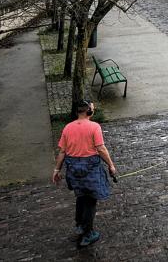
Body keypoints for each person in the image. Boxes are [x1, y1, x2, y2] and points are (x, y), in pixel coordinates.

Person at [52, 100, 117, 247]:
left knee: (81, 196)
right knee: (90, 200)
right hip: (90, 168)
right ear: (89, 112)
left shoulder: (68, 127)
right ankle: (88, 234)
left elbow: (62, 152)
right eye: (92, 108)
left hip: (73, 169)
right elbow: (100, 149)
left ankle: (80, 225)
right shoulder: (94, 127)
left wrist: (57, 170)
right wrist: (111, 165)